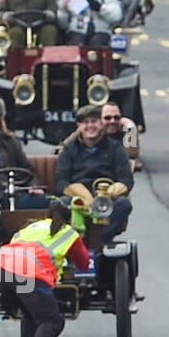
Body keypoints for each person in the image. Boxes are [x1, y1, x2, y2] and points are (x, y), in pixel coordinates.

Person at [0, 203, 90, 337]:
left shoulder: (30, 226)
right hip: (30, 274)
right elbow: (84, 264)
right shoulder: (69, 232)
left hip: (3, 268)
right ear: (68, 219)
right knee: (52, 320)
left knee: (31, 316)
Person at [55, 103, 132, 243]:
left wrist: (110, 191)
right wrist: (81, 194)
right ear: (79, 125)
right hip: (78, 199)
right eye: (86, 122)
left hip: (106, 198)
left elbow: (127, 180)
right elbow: (61, 182)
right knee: (61, 204)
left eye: (94, 121)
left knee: (124, 204)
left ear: (101, 124)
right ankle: (74, 241)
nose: (90, 126)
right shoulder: (69, 149)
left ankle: (99, 241)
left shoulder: (115, 147)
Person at [100, 100, 139, 165]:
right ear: (100, 120)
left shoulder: (126, 133)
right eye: (107, 118)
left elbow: (131, 155)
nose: (112, 121)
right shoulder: (94, 135)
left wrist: (130, 126)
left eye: (116, 117)